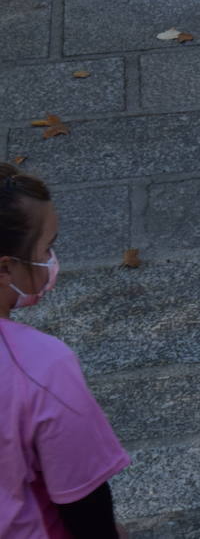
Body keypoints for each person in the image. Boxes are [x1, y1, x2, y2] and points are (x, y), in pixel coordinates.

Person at [0, 164, 131, 538]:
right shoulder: (40, 367)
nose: (52, 259)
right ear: (5, 268)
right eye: (46, 248)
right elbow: (84, 502)